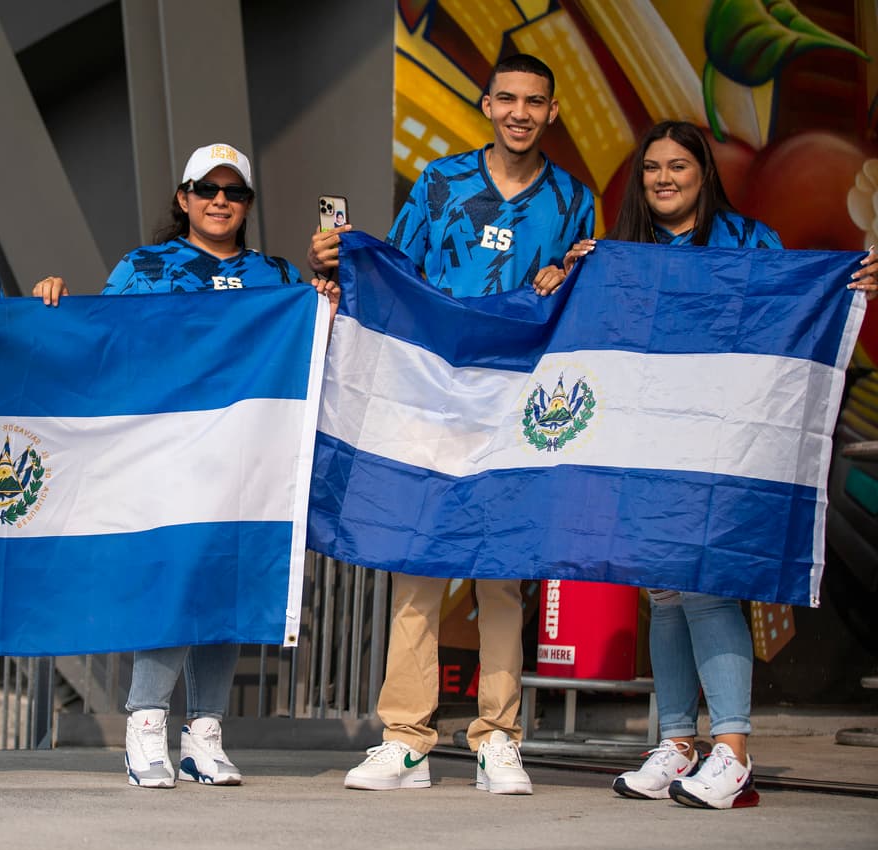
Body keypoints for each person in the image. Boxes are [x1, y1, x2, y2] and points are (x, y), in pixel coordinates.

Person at [564, 119, 878, 809]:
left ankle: (732, 752)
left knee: (706, 585)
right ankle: (677, 744)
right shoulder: (622, 251)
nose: (664, 178)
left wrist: (851, 281)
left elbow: (797, 301)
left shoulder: (749, 243)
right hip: (646, 445)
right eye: (652, 168)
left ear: (705, 173)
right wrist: (574, 275)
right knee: (665, 590)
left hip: (721, 447)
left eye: (678, 165)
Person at [308, 54, 593, 793]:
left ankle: (499, 738)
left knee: (503, 575)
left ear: (553, 111)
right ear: (486, 102)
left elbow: (582, 293)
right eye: (508, 99)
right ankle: (406, 739)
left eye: (535, 101)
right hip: (433, 400)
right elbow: (396, 274)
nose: (520, 112)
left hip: (514, 410)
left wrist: (570, 274)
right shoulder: (439, 182)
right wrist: (341, 263)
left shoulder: (572, 197)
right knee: (417, 567)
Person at [34, 142, 337, 788]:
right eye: (207, 189)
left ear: (247, 203)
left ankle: (204, 733)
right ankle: (145, 723)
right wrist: (59, 299)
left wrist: (329, 295)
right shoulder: (145, 267)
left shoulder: (277, 278)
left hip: (245, 458)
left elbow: (315, 343)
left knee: (224, 583)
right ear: (184, 198)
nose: (219, 201)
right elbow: (101, 337)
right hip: (166, 452)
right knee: (178, 577)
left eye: (233, 192)